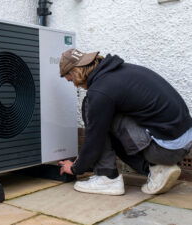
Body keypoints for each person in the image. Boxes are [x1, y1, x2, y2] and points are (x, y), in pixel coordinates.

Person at [58, 49, 192, 196]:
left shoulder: (101, 91)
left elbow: (95, 137)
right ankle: (157, 169)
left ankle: (107, 178)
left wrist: (76, 168)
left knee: (91, 108)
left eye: (71, 80)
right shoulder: (121, 72)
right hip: (181, 143)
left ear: (76, 72)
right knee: (104, 117)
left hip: (165, 150)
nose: (75, 85)